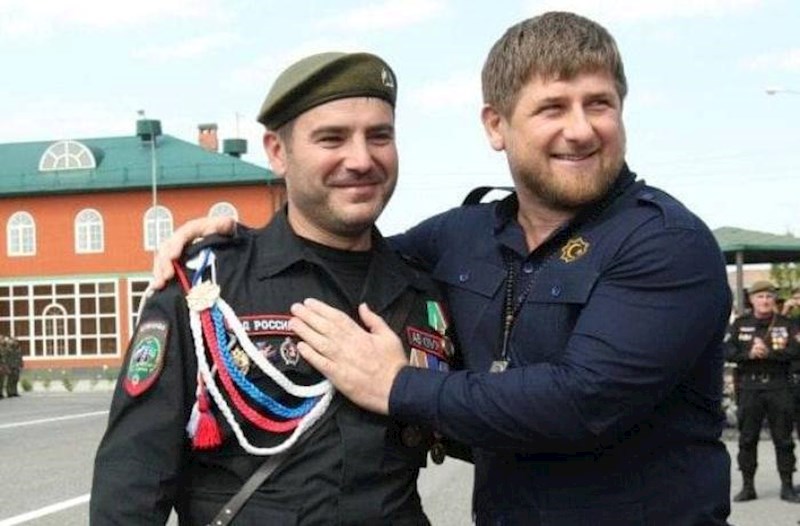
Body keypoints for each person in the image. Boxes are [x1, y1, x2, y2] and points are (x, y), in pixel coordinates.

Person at [153, 12, 733, 525]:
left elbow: (583, 401)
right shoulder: (464, 235)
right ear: (496, 126)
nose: (580, 129)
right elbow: (341, 248)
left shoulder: (666, 244)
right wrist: (236, 246)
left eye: (599, 103)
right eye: (552, 107)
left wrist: (398, 386)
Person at [91, 51, 456, 525]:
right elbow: (132, 480)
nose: (361, 159)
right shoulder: (207, 287)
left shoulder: (424, 293)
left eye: (379, 136)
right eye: (332, 138)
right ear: (278, 152)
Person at [726, 280, 800, 502]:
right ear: (751, 300)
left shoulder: (786, 324)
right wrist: (749, 354)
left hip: (779, 386)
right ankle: (748, 487)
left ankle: (787, 486)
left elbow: (796, 351)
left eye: (768, 296)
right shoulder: (740, 324)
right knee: (747, 438)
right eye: (760, 297)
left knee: (783, 438)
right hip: (750, 386)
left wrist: (769, 353)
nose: (765, 301)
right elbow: (727, 351)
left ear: (774, 299)